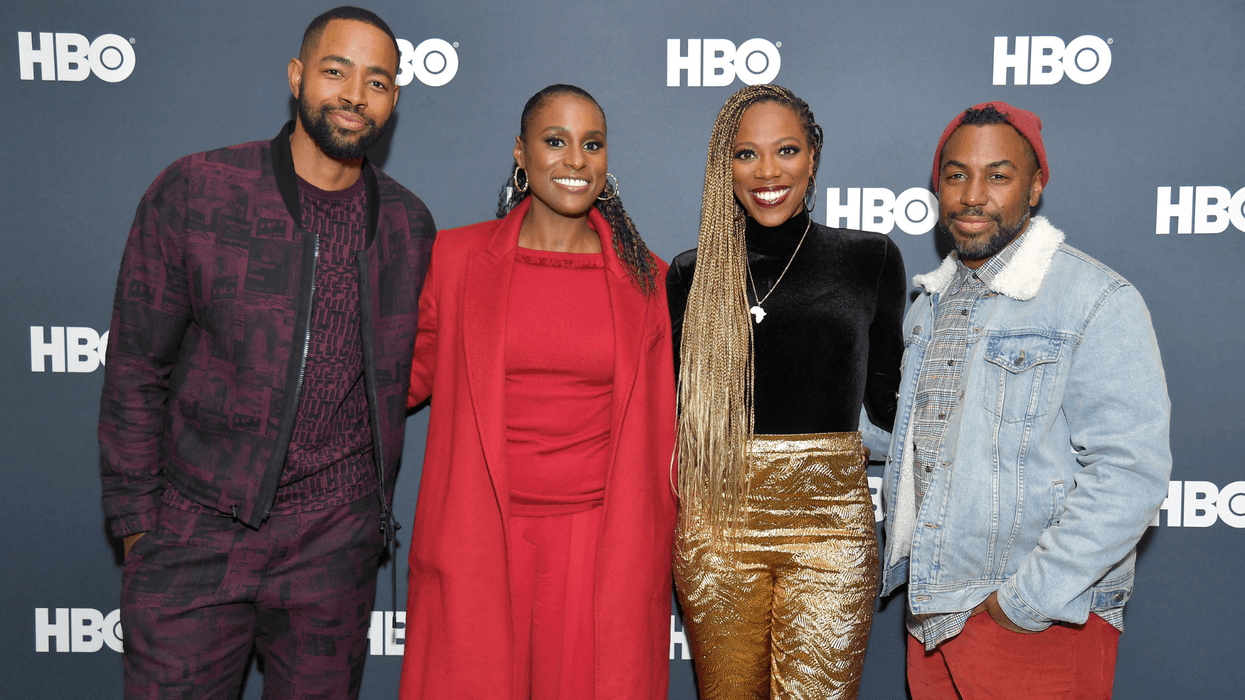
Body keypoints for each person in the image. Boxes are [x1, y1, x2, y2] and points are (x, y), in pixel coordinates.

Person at [97, 7, 435, 698]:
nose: (353, 95)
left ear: (394, 100)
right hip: (195, 537)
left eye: (376, 81)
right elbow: (135, 368)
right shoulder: (198, 191)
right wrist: (138, 528)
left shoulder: (407, 224)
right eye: (335, 71)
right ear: (296, 77)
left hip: (331, 555)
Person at [878, 101, 1172, 699]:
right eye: (956, 174)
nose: (973, 194)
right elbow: (918, 437)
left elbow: (1130, 472)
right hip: (933, 616)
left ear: (1035, 187)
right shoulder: (928, 304)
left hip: (1037, 621)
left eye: (999, 175)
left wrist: (1024, 599)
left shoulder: (1094, 298)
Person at [398, 84, 677, 700]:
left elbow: (685, 417)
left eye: (592, 144)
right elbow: (398, 382)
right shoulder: (455, 258)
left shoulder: (650, 280)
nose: (575, 159)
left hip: (600, 544)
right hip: (477, 536)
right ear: (520, 153)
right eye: (555, 141)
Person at [668, 84, 906, 699]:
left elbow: (891, 401)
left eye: (787, 150)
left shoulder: (870, 260)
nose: (768, 171)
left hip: (829, 524)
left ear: (813, 156)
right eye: (747, 154)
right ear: (726, 165)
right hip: (716, 523)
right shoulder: (689, 275)